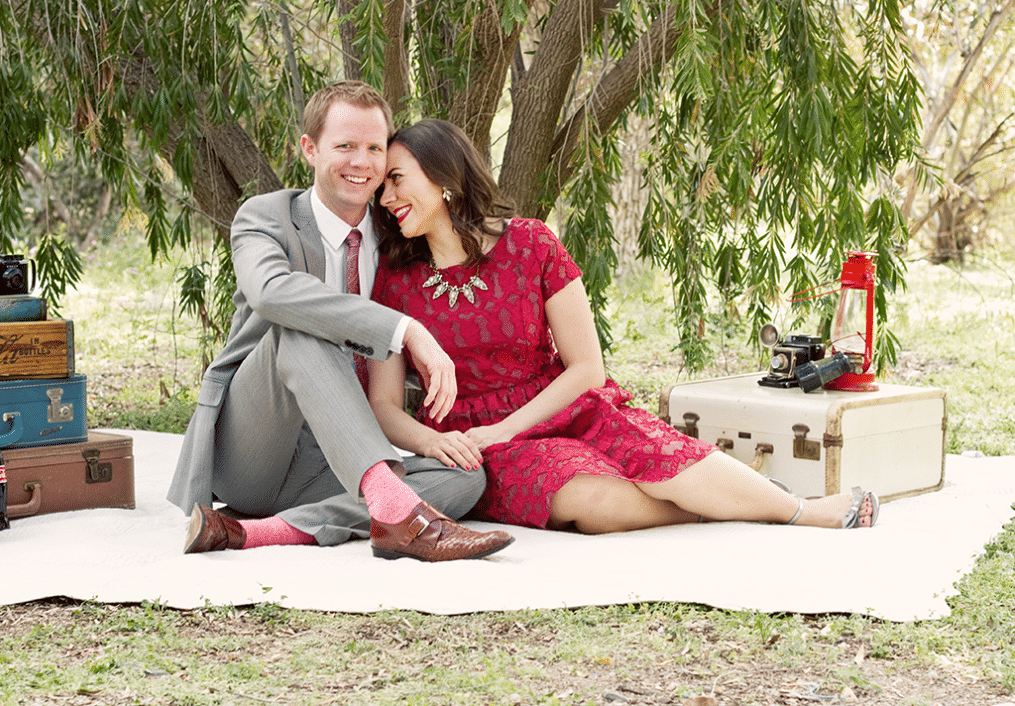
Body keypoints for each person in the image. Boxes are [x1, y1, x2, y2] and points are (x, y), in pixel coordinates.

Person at [367, 118, 879, 534]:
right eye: (382, 187)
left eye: (396, 179)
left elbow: (587, 368)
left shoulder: (531, 244)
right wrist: (434, 443)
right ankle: (729, 503)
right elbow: (385, 406)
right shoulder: (394, 279)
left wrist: (509, 424)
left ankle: (802, 510)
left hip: (563, 404)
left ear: (443, 177)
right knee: (590, 502)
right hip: (472, 442)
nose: (386, 198)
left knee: (662, 457)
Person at [167, 84, 514, 561]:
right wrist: (404, 329)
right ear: (309, 149)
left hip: (338, 460)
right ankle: (395, 510)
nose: (362, 162)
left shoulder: (399, 234)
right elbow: (271, 292)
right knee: (301, 324)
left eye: (375, 148)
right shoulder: (266, 217)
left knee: (463, 476)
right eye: (345, 146)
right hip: (254, 450)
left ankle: (250, 533)